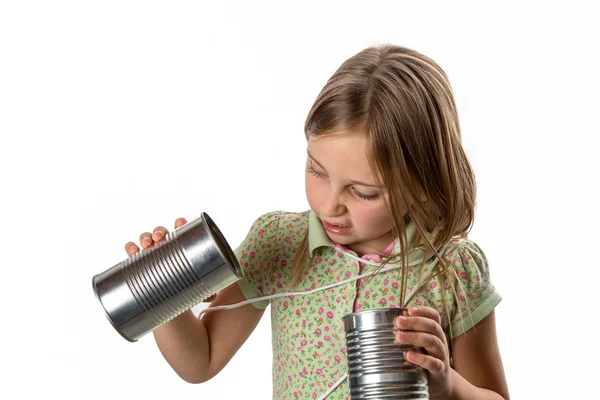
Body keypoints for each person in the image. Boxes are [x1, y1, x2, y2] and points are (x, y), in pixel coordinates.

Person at [125, 44, 510, 400]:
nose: (329, 206)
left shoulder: (451, 269)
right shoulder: (280, 243)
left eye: (363, 192)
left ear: (423, 185)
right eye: (317, 171)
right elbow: (201, 361)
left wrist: (447, 386)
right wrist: (163, 290)